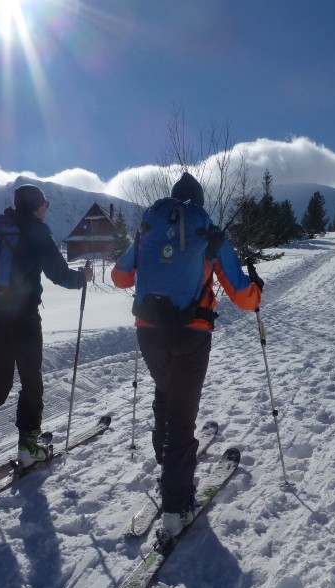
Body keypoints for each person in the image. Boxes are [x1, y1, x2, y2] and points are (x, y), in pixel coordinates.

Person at [111, 173, 263, 544]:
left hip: (148, 330)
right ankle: (177, 509)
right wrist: (257, 291)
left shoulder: (149, 227)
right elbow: (243, 296)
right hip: (191, 333)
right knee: (181, 415)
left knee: (165, 394)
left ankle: (169, 466)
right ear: (199, 202)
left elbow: (119, 277)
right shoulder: (207, 231)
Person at [0, 185, 94, 473]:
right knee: (31, 379)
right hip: (23, 318)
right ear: (37, 207)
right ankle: (29, 447)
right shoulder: (36, 230)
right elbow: (59, 274)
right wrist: (83, 278)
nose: (47, 208)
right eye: (45, 204)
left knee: (1, 381)